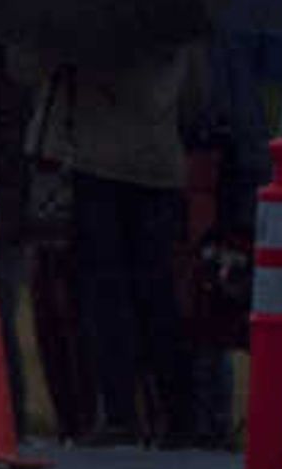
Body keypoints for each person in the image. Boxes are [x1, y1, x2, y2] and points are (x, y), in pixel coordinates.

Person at [37, 40, 210, 446]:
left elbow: (36, 75)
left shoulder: (90, 21)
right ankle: (178, 410)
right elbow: (197, 98)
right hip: (160, 165)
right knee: (158, 291)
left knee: (105, 292)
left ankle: (119, 411)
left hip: (97, 162)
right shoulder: (181, 16)